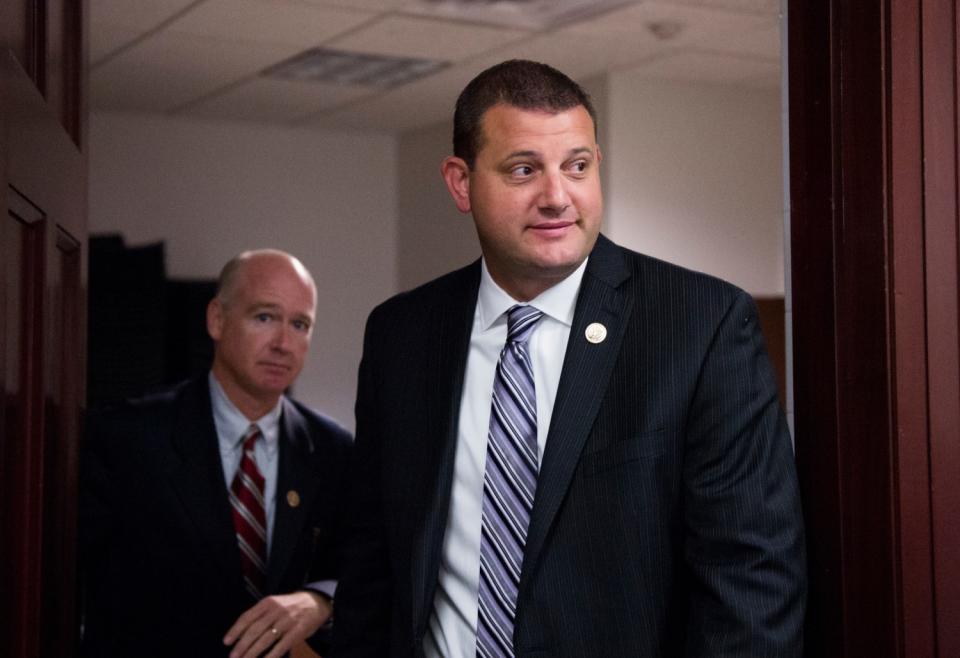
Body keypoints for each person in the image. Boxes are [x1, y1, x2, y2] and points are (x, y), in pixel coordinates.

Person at [332, 60, 806, 657]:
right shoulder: (401, 335)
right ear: (461, 181)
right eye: (523, 169)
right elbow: (371, 558)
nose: (557, 197)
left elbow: (752, 578)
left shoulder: (701, 324)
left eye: (576, 166)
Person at [80, 249, 352, 658]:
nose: (283, 343)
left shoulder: (334, 450)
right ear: (217, 320)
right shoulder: (127, 436)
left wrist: (319, 601)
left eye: (300, 324)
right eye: (264, 317)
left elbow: (363, 567)